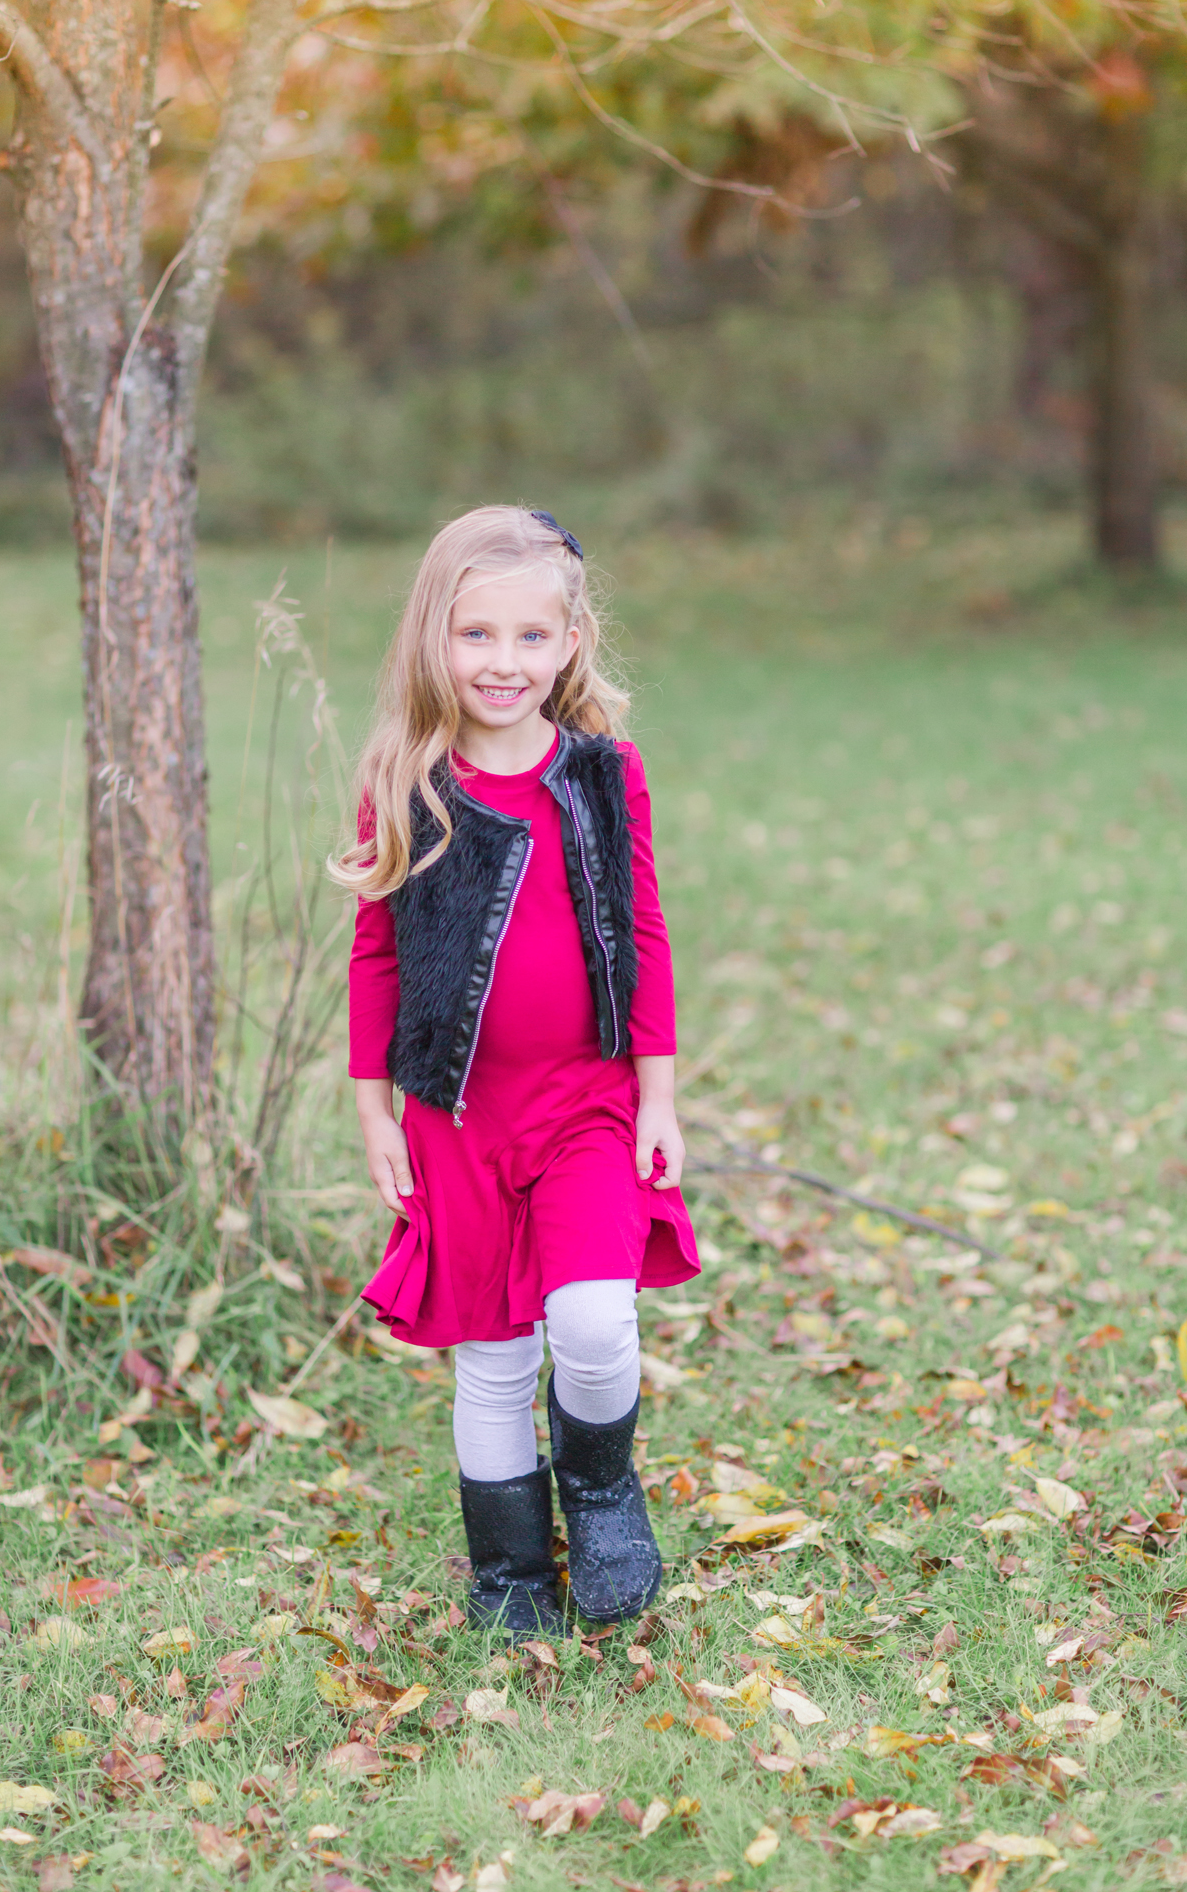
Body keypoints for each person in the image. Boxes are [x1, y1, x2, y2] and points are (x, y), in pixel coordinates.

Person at [330, 505, 700, 1636]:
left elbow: (642, 925)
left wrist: (658, 1093)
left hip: (588, 1102)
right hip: (457, 1118)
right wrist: (375, 1112)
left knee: (592, 1320)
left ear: (571, 641)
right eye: (476, 634)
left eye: (531, 636)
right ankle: (509, 1571)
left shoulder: (603, 774)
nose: (504, 661)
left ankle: (601, 1489)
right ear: (433, 639)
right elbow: (376, 952)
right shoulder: (408, 779)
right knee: (492, 1357)